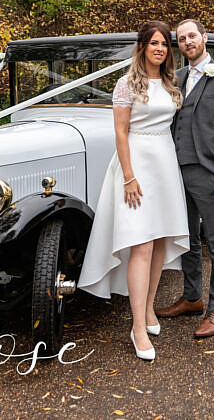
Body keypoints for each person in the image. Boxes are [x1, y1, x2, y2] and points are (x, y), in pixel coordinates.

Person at [77, 21, 190, 361]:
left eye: (164, 44)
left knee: (158, 242)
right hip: (135, 167)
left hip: (165, 164)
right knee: (140, 244)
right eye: (153, 43)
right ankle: (137, 326)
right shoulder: (126, 84)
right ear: (142, 47)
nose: (160, 48)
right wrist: (128, 176)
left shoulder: (170, 82)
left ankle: (150, 309)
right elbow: (121, 133)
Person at [155, 19, 214, 338]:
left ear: (204, 38)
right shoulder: (176, 77)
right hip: (177, 171)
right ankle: (192, 297)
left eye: (192, 36)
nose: (188, 42)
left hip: (209, 174)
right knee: (188, 239)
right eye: (182, 39)